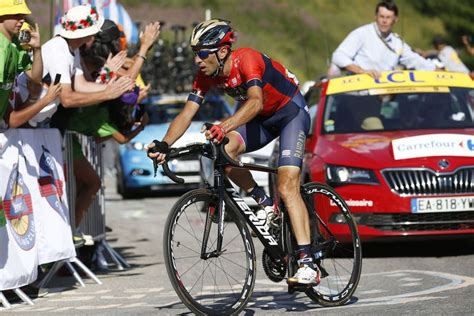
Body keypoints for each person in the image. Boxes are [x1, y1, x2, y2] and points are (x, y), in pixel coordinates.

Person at [147, 19, 319, 285]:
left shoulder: (246, 60)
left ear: (222, 51)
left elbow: (255, 101)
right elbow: (186, 113)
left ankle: (308, 264)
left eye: (202, 53)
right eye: (195, 53)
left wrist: (223, 125)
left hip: (290, 114)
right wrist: (164, 144)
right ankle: (264, 203)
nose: (197, 60)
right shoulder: (205, 75)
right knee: (223, 152)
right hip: (261, 119)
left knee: (287, 186)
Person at [31, 4, 134, 246]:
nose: (94, 37)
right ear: (84, 33)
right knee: (45, 194)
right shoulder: (58, 50)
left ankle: (63, 241)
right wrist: (108, 92)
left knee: (55, 191)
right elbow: (67, 98)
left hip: (45, 129)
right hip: (34, 128)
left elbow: (82, 86)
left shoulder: (70, 49)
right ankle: (54, 246)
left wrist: (111, 88)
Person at [331, 0, 436, 79]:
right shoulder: (361, 34)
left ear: (395, 19)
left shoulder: (398, 42)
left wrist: (438, 71)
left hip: (382, 95)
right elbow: (338, 56)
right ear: (375, 17)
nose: (384, 21)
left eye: (388, 17)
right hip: (358, 94)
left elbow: (415, 60)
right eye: (382, 16)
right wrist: (361, 71)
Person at [0, 0, 58, 129]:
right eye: (16, 15)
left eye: (23, 16)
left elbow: (35, 77)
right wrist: (46, 99)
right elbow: (12, 120)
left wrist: (37, 49)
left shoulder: (14, 43)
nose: (22, 20)